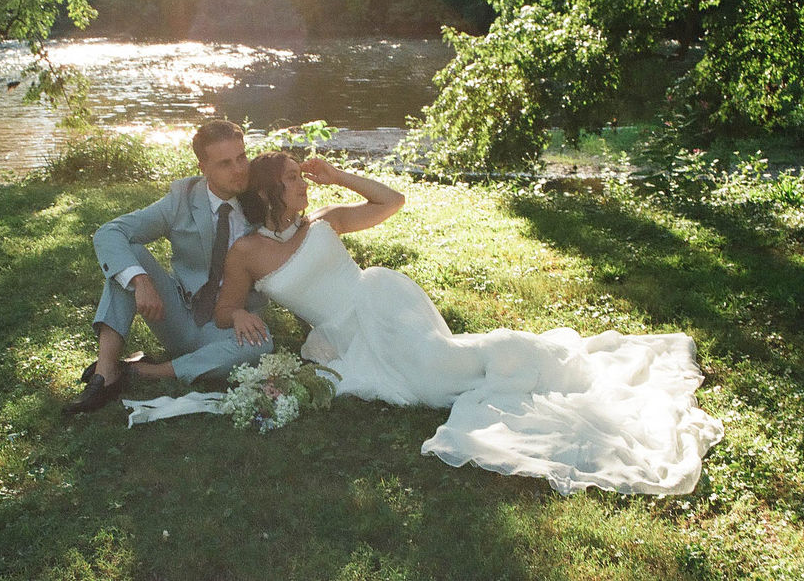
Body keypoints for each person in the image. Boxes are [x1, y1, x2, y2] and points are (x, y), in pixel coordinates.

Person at [214, 152, 724, 495]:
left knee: (444, 369)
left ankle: (526, 356)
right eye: (293, 178)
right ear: (268, 191)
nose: (303, 183)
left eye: (301, 176)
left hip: (384, 302)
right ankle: (506, 357)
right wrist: (237, 312)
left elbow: (392, 201)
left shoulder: (325, 220)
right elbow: (223, 309)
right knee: (428, 391)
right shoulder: (246, 252)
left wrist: (338, 176)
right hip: (346, 338)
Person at [64, 120, 273, 414]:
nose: (239, 169)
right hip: (178, 314)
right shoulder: (182, 199)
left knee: (261, 345)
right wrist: (140, 281)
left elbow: (296, 244)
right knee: (128, 257)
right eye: (225, 163)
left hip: (228, 325)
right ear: (203, 167)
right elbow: (110, 232)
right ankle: (106, 372)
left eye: (241, 157)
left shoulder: (261, 199)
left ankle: (144, 371)